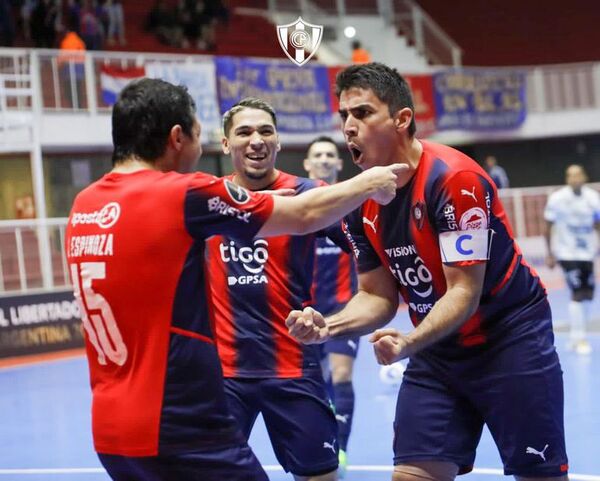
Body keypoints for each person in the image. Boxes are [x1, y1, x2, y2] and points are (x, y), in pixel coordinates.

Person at [65, 78, 403, 481]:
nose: (255, 141)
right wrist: (370, 180)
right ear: (178, 138)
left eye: (265, 131)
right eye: (201, 134)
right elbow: (303, 214)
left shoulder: (84, 206)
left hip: (113, 422)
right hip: (184, 410)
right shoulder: (187, 195)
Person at [287, 63, 569, 481]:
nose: (348, 126)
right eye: (344, 116)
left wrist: (409, 342)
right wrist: (328, 326)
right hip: (437, 351)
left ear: (402, 120)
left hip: (508, 340)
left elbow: (463, 293)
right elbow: (378, 296)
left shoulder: (456, 180)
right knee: (412, 475)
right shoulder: (362, 199)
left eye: (362, 113)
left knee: (540, 475)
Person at [205, 100, 351, 481]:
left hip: (292, 365)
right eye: (245, 132)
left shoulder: (307, 192)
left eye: (265, 131)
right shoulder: (206, 199)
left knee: (321, 475)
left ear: (279, 142)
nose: (256, 141)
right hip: (224, 373)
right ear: (225, 144)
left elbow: (365, 247)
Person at [303, 135, 359, 478]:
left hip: (345, 306)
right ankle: (322, 442)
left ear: (339, 164)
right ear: (307, 164)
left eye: (329, 155)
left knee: (341, 374)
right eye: (317, 155)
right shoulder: (297, 204)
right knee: (317, 382)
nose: (323, 159)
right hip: (305, 310)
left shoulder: (354, 203)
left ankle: (340, 448)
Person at [544, 164, 600, 355]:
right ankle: (579, 337)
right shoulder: (557, 199)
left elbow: (598, 223)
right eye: (570, 176)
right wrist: (550, 253)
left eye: (578, 175)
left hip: (587, 253)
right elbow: (548, 225)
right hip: (567, 253)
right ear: (567, 178)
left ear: (584, 176)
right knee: (577, 293)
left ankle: (577, 337)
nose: (574, 179)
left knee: (588, 294)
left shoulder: (593, 198)